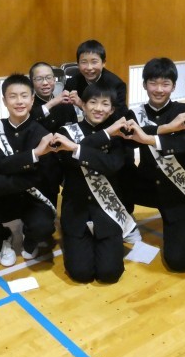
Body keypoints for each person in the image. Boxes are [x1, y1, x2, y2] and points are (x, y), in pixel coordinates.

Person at [123, 58, 185, 272]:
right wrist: (166, 129)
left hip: (180, 191)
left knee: (180, 263)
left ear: (173, 87)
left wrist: (149, 138)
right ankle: (124, 222)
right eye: (153, 83)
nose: (159, 89)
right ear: (144, 85)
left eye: (165, 84)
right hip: (147, 186)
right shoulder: (133, 114)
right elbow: (127, 139)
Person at [0, 74, 61, 267]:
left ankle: (30, 240)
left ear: (32, 100)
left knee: (44, 226)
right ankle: (3, 240)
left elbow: (36, 179)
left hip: (34, 198)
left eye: (24, 96)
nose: (19, 101)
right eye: (13, 96)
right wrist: (32, 156)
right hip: (3, 196)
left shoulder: (43, 135)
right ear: (4, 101)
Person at [53, 85, 134, 283]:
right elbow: (69, 160)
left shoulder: (118, 135)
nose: (98, 108)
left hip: (108, 211)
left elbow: (112, 165)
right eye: (93, 102)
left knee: (110, 274)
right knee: (81, 274)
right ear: (83, 105)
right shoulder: (66, 131)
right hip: (76, 210)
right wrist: (105, 135)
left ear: (112, 110)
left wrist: (76, 148)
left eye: (105, 104)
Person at [65, 39, 128, 119]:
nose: (89, 68)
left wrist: (81, 105)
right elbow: (64, 111)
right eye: (84, 62)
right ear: (78, 64)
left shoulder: (117, 85)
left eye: (94, 62)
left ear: (103, 63)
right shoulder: (72, 83)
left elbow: (120, 116)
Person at [29, 61, 77, 133]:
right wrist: (52, 103)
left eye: (49, 77)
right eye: (39, 79)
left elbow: (75, 133)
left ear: (54, 80)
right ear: (31, 83)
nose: (45, 83)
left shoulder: (66, 104)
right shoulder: (28, 106)